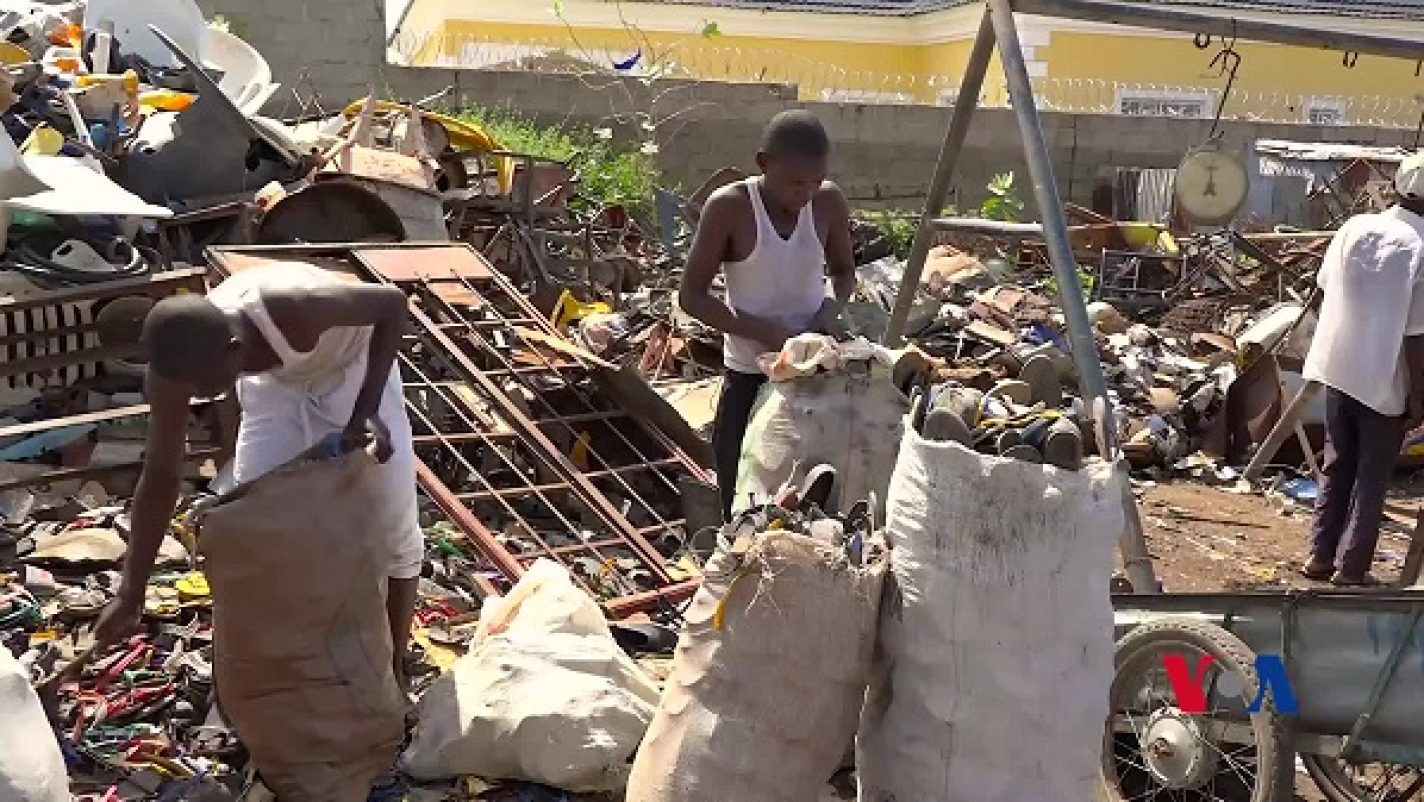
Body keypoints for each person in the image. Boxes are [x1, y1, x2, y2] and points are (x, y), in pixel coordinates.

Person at [93, 261, 423, 684]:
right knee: (251, 520)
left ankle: (392, 670)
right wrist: (130, 593)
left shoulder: (295, 310)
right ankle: (279, 655)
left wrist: (367, 409)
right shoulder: (178, 366)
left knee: (392, 522)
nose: (199, 397)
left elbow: (392, 304)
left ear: (233, 350)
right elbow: (160, 475)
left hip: (352, 364)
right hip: (276, 382)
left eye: (206, 386)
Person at [679, 110, 856, 520]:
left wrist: (829, 309)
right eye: (795, 182)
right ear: (764, 163)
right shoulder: (731, 207)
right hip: (749, 374)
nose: (806, 193)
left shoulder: (828, 202)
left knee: (813, 495)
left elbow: (844, 272)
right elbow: (691, 296)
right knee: (739, 500)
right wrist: (764, 333)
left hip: (813, 374)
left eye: (815, 181)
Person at [1301, 152, 1424, 587]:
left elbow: (1323, 289)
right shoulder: (1421, 247)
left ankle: (1320, 556)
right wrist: (1418, 399)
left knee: (1338, 465)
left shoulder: (1354, 228)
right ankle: (1352, 568)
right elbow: (1417, 336)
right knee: (1372, 476)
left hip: (1338, 367)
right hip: (1384, 381)